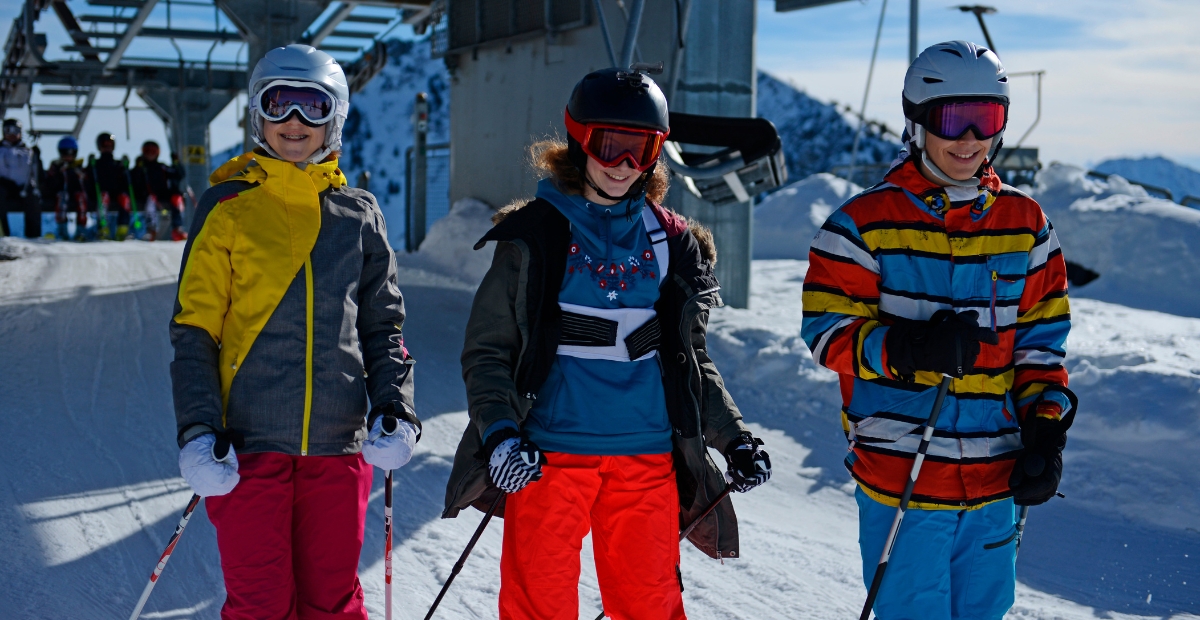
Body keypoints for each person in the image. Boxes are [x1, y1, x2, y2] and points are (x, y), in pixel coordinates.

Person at [442, 67, 773, 619]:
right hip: (547, 457)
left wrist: (732, 438)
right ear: (579, 141)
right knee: (537, 604)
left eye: (639, 150)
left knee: (651, 605)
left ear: (657, 152)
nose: (623, 165)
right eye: (609, 146)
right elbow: (488, 352)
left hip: (644, 458)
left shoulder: (670, 240)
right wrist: (500, 434)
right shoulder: (536, 234)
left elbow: (692, 361)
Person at [800, 41, 1076, 620]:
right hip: (904, 476)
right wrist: (905, 347)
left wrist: (1044, 431)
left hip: (995, 475)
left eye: (988, 118)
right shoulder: (861, 225)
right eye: (954, 119)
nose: (970, 138)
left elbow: (1040, 346)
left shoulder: (1026, 225)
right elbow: (827, 332)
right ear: (918, 119)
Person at [169, 44, 419, 620]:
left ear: (336, 115)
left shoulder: (358, 213)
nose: (295, 123)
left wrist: (395, 406)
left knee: (332, 601)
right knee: (260, 603)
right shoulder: (228, 206)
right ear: (258, 113)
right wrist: (198, 429)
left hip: (339, 445)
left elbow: (384, 325)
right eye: (279, 104)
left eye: (312, 106)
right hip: (249, 447)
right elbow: (195, 330)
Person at [130, 140, 188, 241]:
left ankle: (177, 228)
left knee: (177, 197)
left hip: (163, 195)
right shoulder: (141, 167)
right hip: (146, 195)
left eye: (153, 151)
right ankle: (151, 230)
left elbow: (179, 174)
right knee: (151, 201)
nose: (150, 154)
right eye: (147, 151)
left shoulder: (162, 167)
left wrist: (176, 163)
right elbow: (133, 180)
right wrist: (137, 167)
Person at [87, 132, 134, 240]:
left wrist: (125, 167)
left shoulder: (118, 164)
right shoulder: (96, 164)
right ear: (99, 146)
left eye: (110, 145)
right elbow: (89, 180)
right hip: (102, 193)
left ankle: (123, 229)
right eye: (104, 145)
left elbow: (126, 181)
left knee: (124, 197)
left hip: (116, 193)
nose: (107, 147)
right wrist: (90, 165)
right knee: (103, 197)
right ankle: (103, 228)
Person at [43, 136, 91, 241]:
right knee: (62, 197)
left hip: (76, 195)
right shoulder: (56, 166)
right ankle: (62, 230)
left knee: (81, 198)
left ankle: (81, 230)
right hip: (61, 194)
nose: (68, 156)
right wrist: (59, 173)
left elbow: (86, 185)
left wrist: (79, 175)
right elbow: (49, 184)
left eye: (71, 153)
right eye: (65, 153)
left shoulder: (79, 167)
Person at [0, 118, 40, 237]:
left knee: (33, 196)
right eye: (8, 131)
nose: (12, 134)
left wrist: (38, 157)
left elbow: (36, 173)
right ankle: (3, 234)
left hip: (23, 187)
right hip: (4, 186)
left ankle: (33, 235)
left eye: (15, 131)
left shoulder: (28, 152)